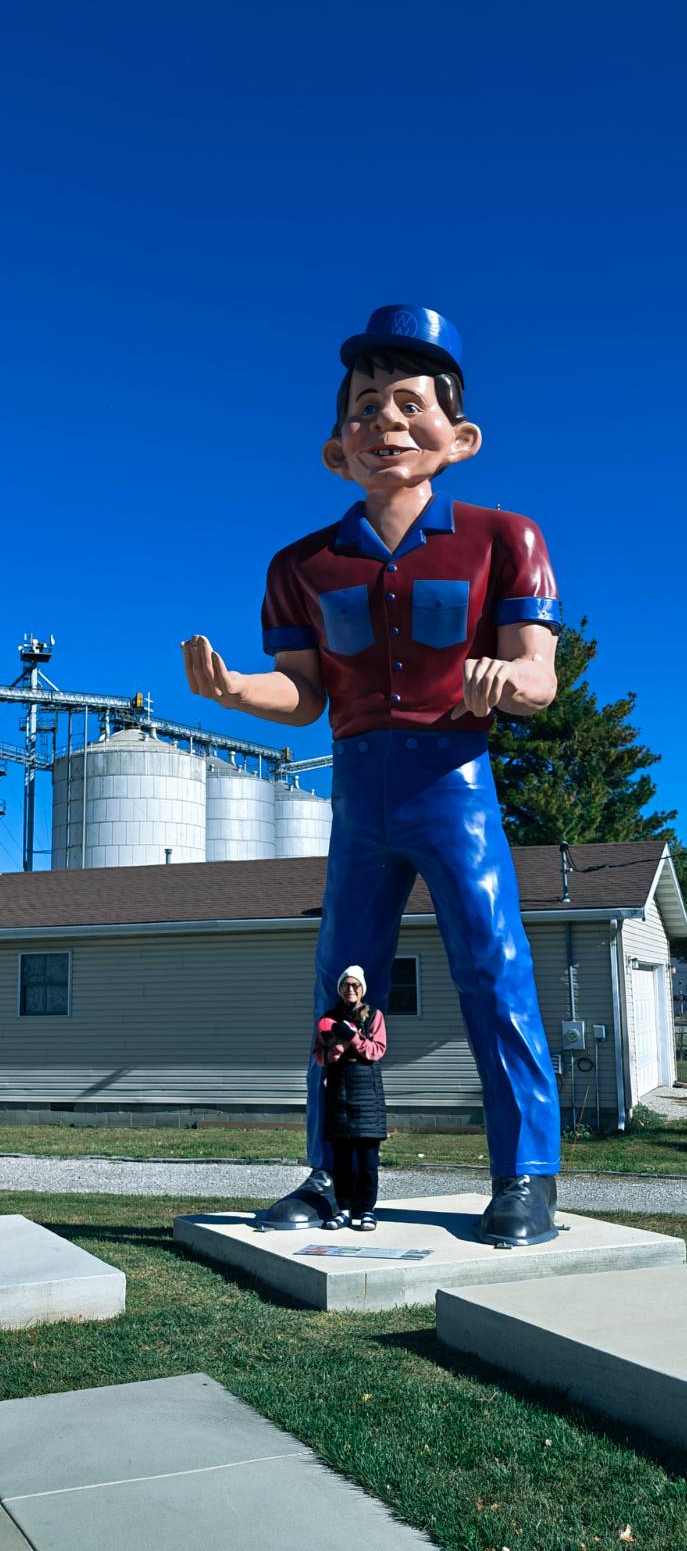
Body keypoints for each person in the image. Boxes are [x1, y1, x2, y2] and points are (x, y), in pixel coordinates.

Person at [182, 303, 562, 1246]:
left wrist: (508, 680)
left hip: (453, 780)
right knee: (340, 989)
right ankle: (332, 1173)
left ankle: (526, 1176)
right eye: (363, 408)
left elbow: (539, 675)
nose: (383, 422)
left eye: (408, 404)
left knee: (492, 968)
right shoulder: (301, 566)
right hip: (357, 792)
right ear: (334, 450)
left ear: (460, 438)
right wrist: (237, 690)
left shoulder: (504, 539)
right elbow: (303, 693)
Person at [313, 964, 386, 1231]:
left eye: (355, 985)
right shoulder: (328, 1017)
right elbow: (317, 1053)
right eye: (345, 985)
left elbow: (377, 1050)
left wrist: (353, 1038)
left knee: (368, 1161)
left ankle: (366, 1210)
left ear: (362, 989)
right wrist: (331, 1053)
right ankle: (343, 1209)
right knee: (342, 1159)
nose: (350, 989)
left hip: (367, 1095)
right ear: (340, 989)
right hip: (339, 1093)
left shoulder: (374, 1015)